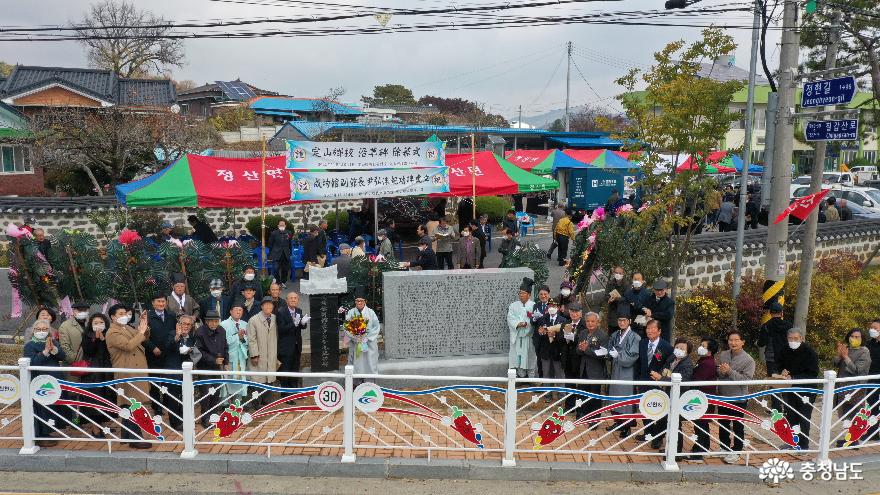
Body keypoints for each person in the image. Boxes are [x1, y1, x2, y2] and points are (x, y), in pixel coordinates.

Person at [105, 303, 152, 449]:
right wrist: (141, 331)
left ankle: (126, 435)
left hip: (135, 369)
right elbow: (128, 345)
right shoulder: (112, 332)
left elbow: (142, 337)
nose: (124, 316)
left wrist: (144, 325)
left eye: (125, 313)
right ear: (113, 317)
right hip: (126, 371)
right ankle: (135, 438)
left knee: (129, 404)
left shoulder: (127, 328)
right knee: (133, 404)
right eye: (120, 314)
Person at [773, 327, 819, 450]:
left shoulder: (810, 353)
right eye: (790, 338)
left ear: (802, 338)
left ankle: (803, 445)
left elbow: (813, 373)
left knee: (804, 417)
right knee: (791, 415)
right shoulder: (785, 349)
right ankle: (792, 441)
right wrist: (781, 370)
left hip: (807, 390)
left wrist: (794, 377)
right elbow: (778, 364)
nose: (793, 341)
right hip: (789, 389)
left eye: (796, 338)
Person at [22, 319, 66, 447]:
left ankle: (50, 430)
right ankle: (41, 434)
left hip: (54, 379)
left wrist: (54, 349)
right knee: (41, 408)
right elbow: (33, 362)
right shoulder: (30, 345)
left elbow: (63, 357)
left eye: (44, 329)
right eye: (38, 329)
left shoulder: (53, 342)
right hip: (40, 381)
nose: (41, 332)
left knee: (53, 406)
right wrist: (45, 352)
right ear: (34, 331)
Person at [716, 330, 756, 464]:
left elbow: (746, 380)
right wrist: (721, 371)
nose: (733, 343)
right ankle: (724, 447)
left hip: (738, 397)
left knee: (737, 425)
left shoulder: (749, 360)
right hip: (723, 395)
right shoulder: (723, 354)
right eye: (730, 340)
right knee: (723, 423)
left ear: (742, 342)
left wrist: (730, 371)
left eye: (736, 340)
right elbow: (720, 373)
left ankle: (737, 451)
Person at [651, 337, 694, 453]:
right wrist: (659, 375)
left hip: (678, 397)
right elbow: (664, 368)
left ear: (687, 351)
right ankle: (665, 444)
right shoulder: (672, 358)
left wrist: (661, 378)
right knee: (666, 420)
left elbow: (683, 383)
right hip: (668, 393)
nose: (678, 350)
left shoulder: (687, 364)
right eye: (677, 347)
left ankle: (676, 452)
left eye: (682, 348)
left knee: (675, 423)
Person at [604, 305, 641, 437]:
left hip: (627, 371)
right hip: (615, 370)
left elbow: (633, 355)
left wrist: (618, 356)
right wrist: (606, 353)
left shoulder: (635, 337)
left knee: (625, 397)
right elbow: (610, 350)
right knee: (615, 396)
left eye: (624, 320)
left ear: (629, 321)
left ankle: (627, 426)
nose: (621, 323)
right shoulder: (615, 334)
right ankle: (618, 421)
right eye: (619, 320)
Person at [833, 328, 872, 446]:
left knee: (854, 412)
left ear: (862, 339)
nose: (854, 339)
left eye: (857, 337)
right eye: (852, 336)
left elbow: (858, 370)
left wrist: (846, 357)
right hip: (842, 386)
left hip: (856, 387)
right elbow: (835, 363)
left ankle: (853, 440)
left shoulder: (864, 351)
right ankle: (849, 438)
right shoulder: (847, 349)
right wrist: (839, 354)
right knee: (845, 412)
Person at [638, 319, 673, 448]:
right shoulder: (642, 343)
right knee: (644, 408)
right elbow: (639, 363)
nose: (650, 331)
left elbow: (669, 365)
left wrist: (662, 377)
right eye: (648, 328)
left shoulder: (667, 347)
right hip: (643, 381)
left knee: (659, 409)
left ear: (659, 331)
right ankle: (648, 432)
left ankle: (658, 436)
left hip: (658, 383)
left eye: (653, 328)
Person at [80, 313, 114, 436]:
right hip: (93, 373)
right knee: (94, 399)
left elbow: (111, 351)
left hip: (107, 371)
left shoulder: (109, 334)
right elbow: (89, 351)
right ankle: (95, 428)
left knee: (106, 398)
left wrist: (104, 340)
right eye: (95, 323)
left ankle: (102, 425)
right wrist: (95, 340)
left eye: (101, 322)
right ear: (91, 325)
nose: (98, 325)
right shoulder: (87, 335)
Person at [164, 315, 200, 430]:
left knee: (184, 397)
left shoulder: (191, 337)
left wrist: (191, 351)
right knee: (173, 398)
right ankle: (175, 423)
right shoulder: (171, 333)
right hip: (172, 371)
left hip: (185, 372)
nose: (186, 326)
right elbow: (167, 347)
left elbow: (193, 352)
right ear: (179, 324)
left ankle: (183, 420)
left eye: (188, 324)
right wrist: (177, 336)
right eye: (184, 323)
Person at [145, 294, 177, 420]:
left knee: (168, 381)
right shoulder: (147, 316)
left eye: (163, 301)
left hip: (168, 354)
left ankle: (168, 405)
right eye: (158, 301)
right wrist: (152, 347)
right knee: (155, 383)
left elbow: (175, 331)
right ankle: (157, 407)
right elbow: (142, 336)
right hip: (153, 354)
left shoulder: (171, 315)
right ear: (153, 303)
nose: (161, 304)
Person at [194, 310, 228, 427]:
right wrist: (213, 360)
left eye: (216, 321)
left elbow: (225, 346)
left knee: (216, 392)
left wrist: (226, 362)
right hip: (204, 367)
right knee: (206, 393)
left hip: (217, 367)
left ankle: (214, 416)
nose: (214, 323)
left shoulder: (222, 330)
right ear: (206, 321)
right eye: (211, 321)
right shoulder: (199, 332)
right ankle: (205, 418)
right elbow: (198, 352)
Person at [688, 337, 718, 461]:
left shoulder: (708, 364)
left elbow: (697, 380)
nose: (700, 347)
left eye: (703, 346)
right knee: (701, 424)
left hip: (702, 398)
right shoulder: (703, 360)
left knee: (701, 424)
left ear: (710, 350)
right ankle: (703, 446)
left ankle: (699, 451)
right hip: (701, 398)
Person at [575, 310, 608, 417]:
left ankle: (594, 418)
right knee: (582, 393)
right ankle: (581, 414)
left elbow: (602, 354)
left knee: (594, 395)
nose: (590, 323)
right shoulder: (583, 333)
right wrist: (580, 348)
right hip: (583, 368)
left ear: (598, 322)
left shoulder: (602, 335)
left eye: (593, 321)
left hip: (595, 370)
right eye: (588, 321)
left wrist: (586, 349)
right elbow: (577, 351)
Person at [535, 299, 569, 399]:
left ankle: (561, 396)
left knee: (559, 375)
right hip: (545, 351)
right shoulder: (542, 319)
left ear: (558, 308)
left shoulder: (563, 320)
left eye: (554, 306)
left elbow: (565, 337)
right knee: (546, 374)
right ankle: (547, 395)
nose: (552, 308)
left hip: (558, 351)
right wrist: (541, 333)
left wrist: (555, 335)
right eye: (550, 306)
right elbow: (538, 335)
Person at [248, 296, 279, 406]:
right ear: (261, 306)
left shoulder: (275, 318)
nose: (268, 306)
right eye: (265, 304)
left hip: (271, 353)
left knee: (269, 377)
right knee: (257, 378)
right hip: (259, 354)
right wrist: (254, 355)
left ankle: (266, 401)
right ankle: (256, 402)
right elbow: (251, 339)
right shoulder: (254, 320)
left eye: (270, 304)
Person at [345, 286, 382, 377]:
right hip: (356, 343)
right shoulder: (350, 313)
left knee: (370, 363)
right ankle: (356, 382)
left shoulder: (371, 312)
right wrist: (354, 336)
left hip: (369, 344)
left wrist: (366, 338)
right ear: (355, 302)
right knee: (356, 364)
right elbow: (346, 328)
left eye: (361, 301)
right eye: (357, 301)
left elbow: (376, 327)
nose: (359, 303)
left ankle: (370, 383)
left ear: (365, 301)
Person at [276, 292, 310, 390]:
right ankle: (285, 393)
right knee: (285, 369)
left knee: (295, 369)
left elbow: (301, 326)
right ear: (286, 300)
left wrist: (303, 323)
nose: (293, 300)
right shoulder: (281, 311)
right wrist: (293, 324)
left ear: (298, 300)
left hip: (296, 345)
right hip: (285, 346)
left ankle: (294, 391)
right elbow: (281, 329)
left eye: (295, 298)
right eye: (291, 298)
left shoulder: (299, 310)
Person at [507, 277, 536, 378]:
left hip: (529, 336)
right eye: (520, 293)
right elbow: (510, 318)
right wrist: (519, 324)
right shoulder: (513, 305)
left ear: (529, 295)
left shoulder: (534, 305)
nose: (521, 295)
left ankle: (531, 376)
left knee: (530, 356)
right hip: (517, 335)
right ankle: (521, 376)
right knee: (518, 356)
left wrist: (527, 325)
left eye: (524, 293)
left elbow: (534, 319)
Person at [221, 301, 250, 401]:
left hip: (240, 356)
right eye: (236, 310)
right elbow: (224, 342)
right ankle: (225, 403)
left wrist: (242, 338)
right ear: (230, 311)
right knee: (227, 379)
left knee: (240, 379)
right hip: (229, 356)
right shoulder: (223, 324)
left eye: (241, 310)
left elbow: (247, 342)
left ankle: (238, 402)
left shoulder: (245, 324)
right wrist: (237, 336)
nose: (238, 312)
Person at [757, 301, 791, 377]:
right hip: (786, 357)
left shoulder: (766, 326)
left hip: (771, 359)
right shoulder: (789, 325)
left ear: (770, 313)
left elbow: (761, 343)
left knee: (773, 380)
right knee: (786, 380)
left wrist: (757, 343)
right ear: (782, 313)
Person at [58, 301, 91, 369]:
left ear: (88, 311)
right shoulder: (65, 326)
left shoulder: (92, 323)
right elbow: (64, 346)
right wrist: (74, 358)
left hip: (91, 362)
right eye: (79, 310)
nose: (82, 312)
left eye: (84, 310)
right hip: (74, 365)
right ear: (73, 311)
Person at [531, 286, 552, 379]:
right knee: (539, 361)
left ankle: (549, 382)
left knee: (548, 361)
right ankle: (541, 381)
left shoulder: (552, 305)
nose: (543, 296)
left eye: (545, 294)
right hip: (538, 338)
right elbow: (532, 322)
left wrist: (542, 317)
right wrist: (534, 318)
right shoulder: (536, 305)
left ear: (549, 295)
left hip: (549, 338)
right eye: (541, 294)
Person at [623, 272, 650, 336]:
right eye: (635, 279)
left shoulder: (647, 294)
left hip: (643, 324)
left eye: (638, 279)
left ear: (643, 281)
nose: (636, 281)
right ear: (632, 280)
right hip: (629, 323)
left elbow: (648, 309)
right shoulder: (627, 293)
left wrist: (635, 305)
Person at [268, 219, 292, 287]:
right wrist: (271, 253)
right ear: (278, 226)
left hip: (286, 253)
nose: (282, 226)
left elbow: (290, 244)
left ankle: (283, 282)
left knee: (285, 269)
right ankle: (278, 282)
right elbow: (270, 244)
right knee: (276, 268)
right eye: (280, 225)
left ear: (285, 225)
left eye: (283, 225)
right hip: (276, 253)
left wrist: (290, 253)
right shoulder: (274, 233)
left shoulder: (289, 233)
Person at [604, 266, 629, 330]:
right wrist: (608, 299)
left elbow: (627, 299)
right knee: (612, 333)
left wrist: (616, 298)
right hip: (612, 313)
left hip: (623, 313)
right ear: (614, 273)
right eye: (616, 273)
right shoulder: (610, 283)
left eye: (620, 273)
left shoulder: (627, 284)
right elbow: (606, 296)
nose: (618, 275)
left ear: (623, 274)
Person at [868, 320, 880, 437]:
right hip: (871, 379)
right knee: (872, 405)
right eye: (871, 327)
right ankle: (873, 432)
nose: (872, 329)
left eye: (875, 328)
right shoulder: (869, 344)